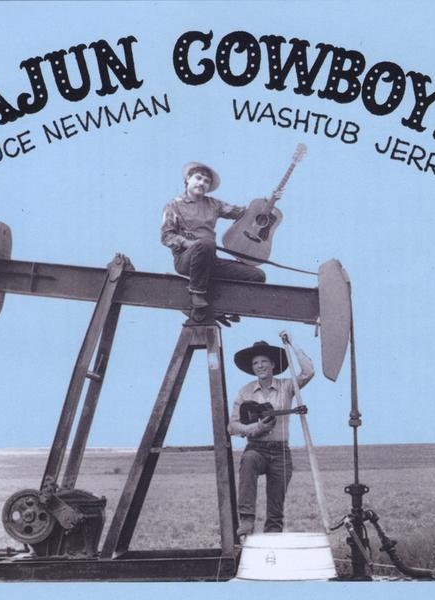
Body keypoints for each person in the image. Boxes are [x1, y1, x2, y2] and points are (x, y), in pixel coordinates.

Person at [227, 332, 315, 538]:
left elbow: (309, 371)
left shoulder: (287, 386)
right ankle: (246, 520)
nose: (260, 366)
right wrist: (255, 428)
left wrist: (292, 343)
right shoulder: (244, 392)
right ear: (252, 368)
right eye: (256, 363)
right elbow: (232, 426)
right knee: (248, 460)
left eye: (264, 361)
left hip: (281, 451)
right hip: (256, 448)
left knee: (276, 508)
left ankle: (272, 542)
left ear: (273, 364)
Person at [161, 162, 268, 310]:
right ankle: (196, 293)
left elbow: (244, 213)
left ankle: (225, 307)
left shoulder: (213, 204)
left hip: (210, 260)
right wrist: (188, 243)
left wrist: (267, 203)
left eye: (206, 181)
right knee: (207, 243)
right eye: (198, 178)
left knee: (257, 275)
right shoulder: (173, 205)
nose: (202, 183)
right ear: (188, 179)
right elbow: (167, 237)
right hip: (186, 260)